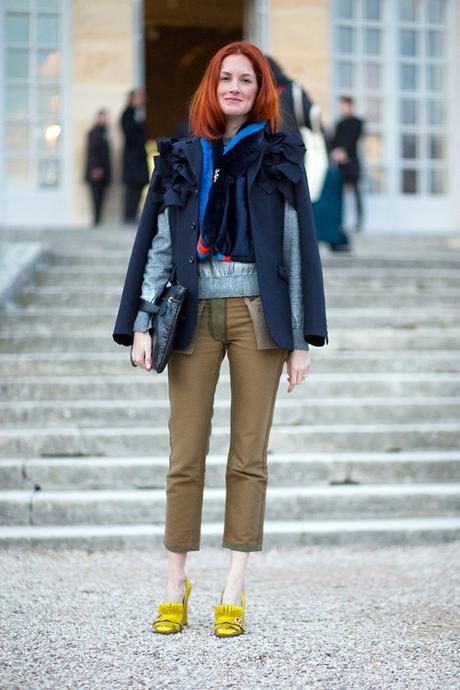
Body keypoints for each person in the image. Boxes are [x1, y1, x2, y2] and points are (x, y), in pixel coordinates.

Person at [112, 41, 328, 638]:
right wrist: (141, 319)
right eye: (226, 78)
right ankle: (173, 582)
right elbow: (157, 241)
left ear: (262, 91)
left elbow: (294, 244)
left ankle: (234, 585)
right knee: (185, 456)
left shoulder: (280, 153)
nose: (236, 87)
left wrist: (302, 339)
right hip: (191, 315)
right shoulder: (182, 155)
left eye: (247, 80)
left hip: (259, 315)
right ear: (213, 85)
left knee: (248, 456)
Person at [330, 95, 365, 231]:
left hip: (352, 162)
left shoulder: (358, 123)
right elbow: (335, 141)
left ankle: (359, 221)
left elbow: (353, 139)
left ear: (350, 106)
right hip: (340, 163)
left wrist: (343, 152)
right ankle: (340, 222)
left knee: (356, 193)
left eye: (344, 106)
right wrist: (336, 152)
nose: (342, 109)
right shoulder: (338, 124)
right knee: (339, 194)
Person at [120, 88, 150, 223]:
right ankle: (129, 216)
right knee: (132, 188)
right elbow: (130, 134)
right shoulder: (128, 114)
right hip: (133, 159)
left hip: (137, 157)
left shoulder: (138, 113)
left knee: (138, 186)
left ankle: (132, 215)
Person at [84, 109, 111, 226]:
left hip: (103, 170)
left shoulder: (104, 132)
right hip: (96, 170)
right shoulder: (94, 133)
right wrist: (96, 168)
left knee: (101, 196)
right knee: (96, 195)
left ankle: (98, 218)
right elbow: (92, 152)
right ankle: (96, 219)